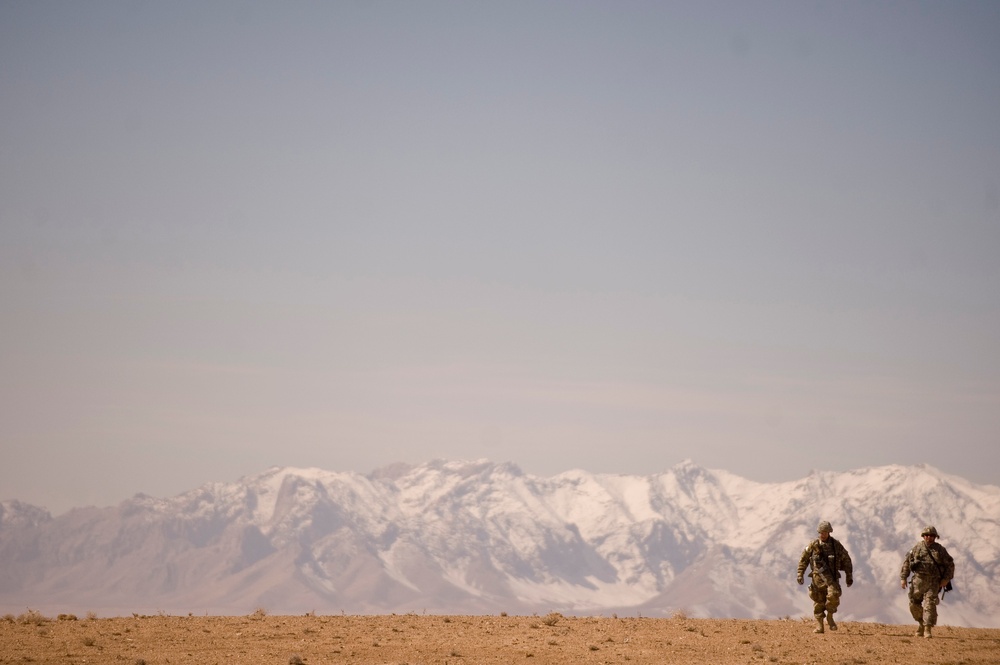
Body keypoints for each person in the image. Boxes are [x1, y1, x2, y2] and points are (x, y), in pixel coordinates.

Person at [797, 520, 853, 633]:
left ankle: (830, 616)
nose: (823, 535)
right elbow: (803, 560)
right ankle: (819, 625)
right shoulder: (813, 546)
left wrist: (849, 575)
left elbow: (846, 559)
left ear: (829, 533)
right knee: (818, 602)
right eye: (821, 532)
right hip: (817, 579)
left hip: (832, 578)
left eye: (825, 532)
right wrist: (800, 573)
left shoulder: (836, 545)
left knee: (834, 595)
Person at [900, 525, 954, 639]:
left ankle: (927, 628)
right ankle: (921, 623)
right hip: (918, 581)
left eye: (932, 536)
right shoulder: (917, 548)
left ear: (935, 537)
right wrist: (903, 578)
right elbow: (907, 562)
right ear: (923, 536)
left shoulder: (940, 550)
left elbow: (950, 565)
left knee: (930, 604)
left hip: (933, 582)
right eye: (927, 535)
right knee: (914, 604)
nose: (929, 537)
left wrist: (946, 579)